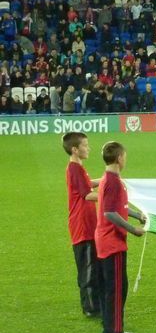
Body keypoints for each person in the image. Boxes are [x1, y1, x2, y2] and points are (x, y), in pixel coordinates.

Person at [95, 141, 146, 333]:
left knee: (113, 288)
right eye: (124, 156)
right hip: (112, 242)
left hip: (106, 240)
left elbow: (118, 206)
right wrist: (133, 229)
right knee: (116, 289)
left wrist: (136, 215)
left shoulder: (109, 179)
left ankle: (110, 328)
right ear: (118, 158)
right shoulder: (113, 182)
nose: (125, 159)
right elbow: (109, 213)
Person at [63, 132, 101, 317]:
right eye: (85, 145)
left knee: (92, 265)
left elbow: (86, 185)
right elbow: (87, 194)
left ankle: (94, 304)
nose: (89, 148)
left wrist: (106, 180)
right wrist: (111, 193)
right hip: (82, 226)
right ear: (75, 149)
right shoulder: (74, 169)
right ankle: (90, 308)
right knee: (87, 268)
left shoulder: (78, 168)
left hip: (87, 225)